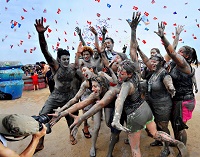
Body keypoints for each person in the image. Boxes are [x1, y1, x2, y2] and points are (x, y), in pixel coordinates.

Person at [111, 59, 188, 157]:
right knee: (155, 133)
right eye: (118, 71)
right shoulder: (136, 76)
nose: (118, 74)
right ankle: (175, 141)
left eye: (121, 73)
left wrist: (116, 118)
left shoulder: (126, 84)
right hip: (145, 109)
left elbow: (120, 100)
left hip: (135, 115)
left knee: (135, 148)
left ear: (129, 74)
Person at [34, 17, 82, 152]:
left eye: (68, 58)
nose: (66, 61)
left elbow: (82, 73)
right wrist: (41, 34)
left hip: (70, 96)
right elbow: (45, 51)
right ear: (59, 60)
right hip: (56, 96)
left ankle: (71, 136)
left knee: (71, 120)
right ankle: (40, 142)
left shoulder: (73, 67)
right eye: (64, 59)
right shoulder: (55, 67)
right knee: (41, 117)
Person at [154, 22, 198, 148]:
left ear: (187, 56)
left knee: (179, 126)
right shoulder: (174, 64)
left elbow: (172, 52)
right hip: (177, 99)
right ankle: (177, 143)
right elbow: (172, 49)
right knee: (175, 124)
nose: (177, 53)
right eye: (178, 51)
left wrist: (163, 37)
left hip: (185, 100)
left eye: (181, 52)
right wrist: (177, 35)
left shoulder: (184, 65)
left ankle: (182, 149)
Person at [137, 49, 176, 156]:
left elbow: (169, 83)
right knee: (155, 125)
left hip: (163, 105)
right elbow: (143, 77)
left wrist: (171, 88)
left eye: (155, 61)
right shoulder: (152, 72)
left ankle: (166, 148)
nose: (153, 63)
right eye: (151, 61)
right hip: (152, 103)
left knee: (163, 126)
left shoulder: (164, 73)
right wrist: (146, 67)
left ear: (161, 63)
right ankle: (159, 140)